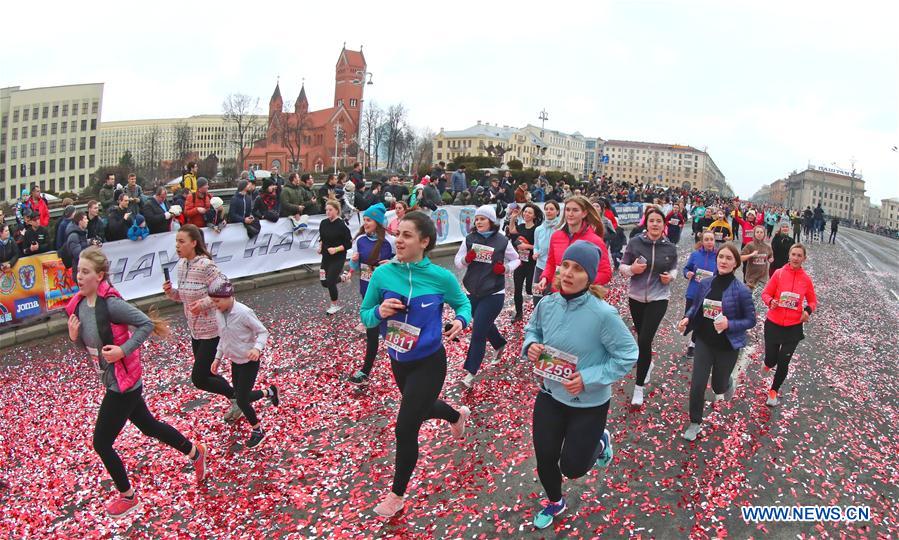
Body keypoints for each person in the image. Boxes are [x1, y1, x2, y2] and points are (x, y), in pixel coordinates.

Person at [65, 246, 208, 519]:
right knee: (149, 426)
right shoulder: (79, 306)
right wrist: (74, 338)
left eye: (85, 272)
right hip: (111, 379)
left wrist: (123, 350)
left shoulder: (112, 305)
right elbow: (87, 349)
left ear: (100, 275)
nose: (79, 277)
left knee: (102, 442)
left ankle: (128, 497)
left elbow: (144, 325)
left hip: (124, 383)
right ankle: (195, 452)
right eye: (77, 272)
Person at [359, 211, 472, 518]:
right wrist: (380, 312)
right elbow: (365, 314)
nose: (399, 240)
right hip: (398, 359)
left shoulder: (441, 277)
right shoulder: (383, 275)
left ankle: (397, 495)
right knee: (421, 409)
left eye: (407, 235)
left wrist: (461, 321)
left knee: (405, 426)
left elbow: (463, 303)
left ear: (424, 242)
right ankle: (455, 416)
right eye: (398, 234)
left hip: (430, 361)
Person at [524, 241, 638, 529]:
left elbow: (628, 354)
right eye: (565, 265)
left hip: (587, 403)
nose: (568, 273)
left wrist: (588, 378)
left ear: (589, 276)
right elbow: (533, 330)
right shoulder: (547, 303)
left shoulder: (603, 314)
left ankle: (601, 441)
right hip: (550, 394)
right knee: (545, 456)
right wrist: (531, 345)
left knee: (572, 468)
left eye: (577, 269)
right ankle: (555, 502)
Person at [676, 243, 756, 441]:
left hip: (727, 346)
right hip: (704, 341)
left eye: (729, 258)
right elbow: (696, 307)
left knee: (718, 387)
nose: (723, 261)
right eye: (721, 257)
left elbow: (751, 320)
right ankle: (695, 421)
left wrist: (730, 323)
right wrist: (687, 318)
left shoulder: (741, 291)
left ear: (736, 263)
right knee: (697, 384)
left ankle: (726, 383)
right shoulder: (706, 283)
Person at [162, 225, 239, 420]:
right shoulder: (181, 265)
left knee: (199, 378)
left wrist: (204, 304)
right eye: (176, 242)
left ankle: (238, 397)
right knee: (207, 376)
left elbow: (226, 288)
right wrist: (171, 293)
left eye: (182, 242)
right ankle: (238, 398)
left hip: (212, 329)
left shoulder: (206, 265)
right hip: (195, 329)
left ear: (194, 243)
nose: (177, 246)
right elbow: (185, 296)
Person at [208, 276, 279, 449]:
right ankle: (269, 391)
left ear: (228, 296)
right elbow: (223, 338)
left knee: (241, 399)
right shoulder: (219, 314)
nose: (215, 305)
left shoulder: (243, 312)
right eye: (213, 301)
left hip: (249, 361)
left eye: (217, 301)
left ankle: (257, 430)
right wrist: (217, 357)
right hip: (235, 361)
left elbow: (262, 332)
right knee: (241, 397)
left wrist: (257, 348)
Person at [454, 205, 520, 388]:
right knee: (484, 324)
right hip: (473, 290)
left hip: (494, 292)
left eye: (483, 219)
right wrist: (467, 259)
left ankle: (470, 372)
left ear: (491, 221)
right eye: (477, 219)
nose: (479, 222)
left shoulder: (502, 241)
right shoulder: (469, 239)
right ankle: (499, 344)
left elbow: (516, 259)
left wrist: (506, 268)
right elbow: (457, 264)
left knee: (478, 331)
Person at [619, 207, 678, 407]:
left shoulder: (670, 247)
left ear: (663, 225)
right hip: (635, 297)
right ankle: (648, 362)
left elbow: (674, 269)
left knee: (645, 339)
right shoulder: (635, 243)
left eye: (658, 221)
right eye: (651, 220)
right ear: (647, 223)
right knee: (642, 339)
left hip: (659, 298)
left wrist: (670, 277)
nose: (655, 224)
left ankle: (638, 388)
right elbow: (622, 267)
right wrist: (632, 269)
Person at [761, 244, 817, 407]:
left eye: (799, 255)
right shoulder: (778, 274)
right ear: (789, 256)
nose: (796, 258)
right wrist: (770, 302)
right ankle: (767, 364)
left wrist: (807, 310)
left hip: (793, 327)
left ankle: (774, 391)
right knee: (771, 360)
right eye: (793, 254)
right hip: (773, 323)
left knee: (784, 361)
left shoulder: (806, 279)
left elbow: (813, 301)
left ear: (804, 259)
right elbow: (765, 293)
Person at [346, 204, 396, 385]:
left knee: (392, 333)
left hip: (387, 292)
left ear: (378, 222)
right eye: (364, 220)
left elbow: (403, 262)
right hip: (367, 291)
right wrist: (350, 269)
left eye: (368, 220)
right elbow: (354, 263)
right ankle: (365, 372)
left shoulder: (390, 241)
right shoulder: (359, 239)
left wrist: (390, 263)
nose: (365, 223)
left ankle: (405, 365)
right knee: (372, 332)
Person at [535, 196, 613, 295]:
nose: (570, 214)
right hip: (558, 294)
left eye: (575, 210)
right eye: (567, 210)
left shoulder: (595, 241)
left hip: (582, 296)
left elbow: (605, 273)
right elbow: (551, 263)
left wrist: (580, 283)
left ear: (584, 213)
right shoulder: (556, 236)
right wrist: (545, 278)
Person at [681, 230, 718, 357]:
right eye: (706, 239)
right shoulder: (695, 255)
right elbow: (686, 269)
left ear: (714, 241)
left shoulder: (718, 256)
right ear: (702, 242)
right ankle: (693, 339)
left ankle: (693, 344)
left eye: (711, 239)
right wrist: (688, 274)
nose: (709, 242)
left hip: (708, 295)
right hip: (693, 292)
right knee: (690, 319)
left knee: (701, 320)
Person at [507, 203, 543, 321]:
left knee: (529, 289)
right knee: (517, 289)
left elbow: (539, 247)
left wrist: (526, 246)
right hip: (520, 263)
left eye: (529, 212)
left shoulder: (537, 229)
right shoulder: (521, 226)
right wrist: (513, 218)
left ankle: (540, 310)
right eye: (525, 212)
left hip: (532, 264)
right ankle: (519, 314)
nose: (526, 214)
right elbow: (512, 231)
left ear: (534, 216)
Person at [318, 200, 353, 315]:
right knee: (324, 282)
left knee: (331, 281)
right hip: (326, 256)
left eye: (330, 210)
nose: (327, 212)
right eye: (326, 210)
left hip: (338, 257)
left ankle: (334, 305)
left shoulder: (341, 225)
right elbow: (322, 237)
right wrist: (320, 246)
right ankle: (343, 278)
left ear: (337, 210)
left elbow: (349, 244)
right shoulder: (323, 223)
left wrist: (336, 249)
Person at [532, 200, 561, 307]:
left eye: (552, 209)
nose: (548, 211)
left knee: (553, 296)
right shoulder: (539, 229)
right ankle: (538, 318)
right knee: (537, 295)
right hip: (540, 266)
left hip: (555, 268)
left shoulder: (561, 229)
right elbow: (536, 246)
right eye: (546, 209)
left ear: (557, 211)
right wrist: (535, 253)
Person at [740, 225, 773, 290]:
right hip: (751, 278)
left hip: (763, 278)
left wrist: (770, 259)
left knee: (758, 298)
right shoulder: (750, 245)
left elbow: (770, 256)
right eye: (757, 232)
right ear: (754, 234)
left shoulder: (767, 247)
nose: (759, 234)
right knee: (750, 298)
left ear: (764, 234)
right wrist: (751, 255)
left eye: (761, 232)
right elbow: (740, 258)